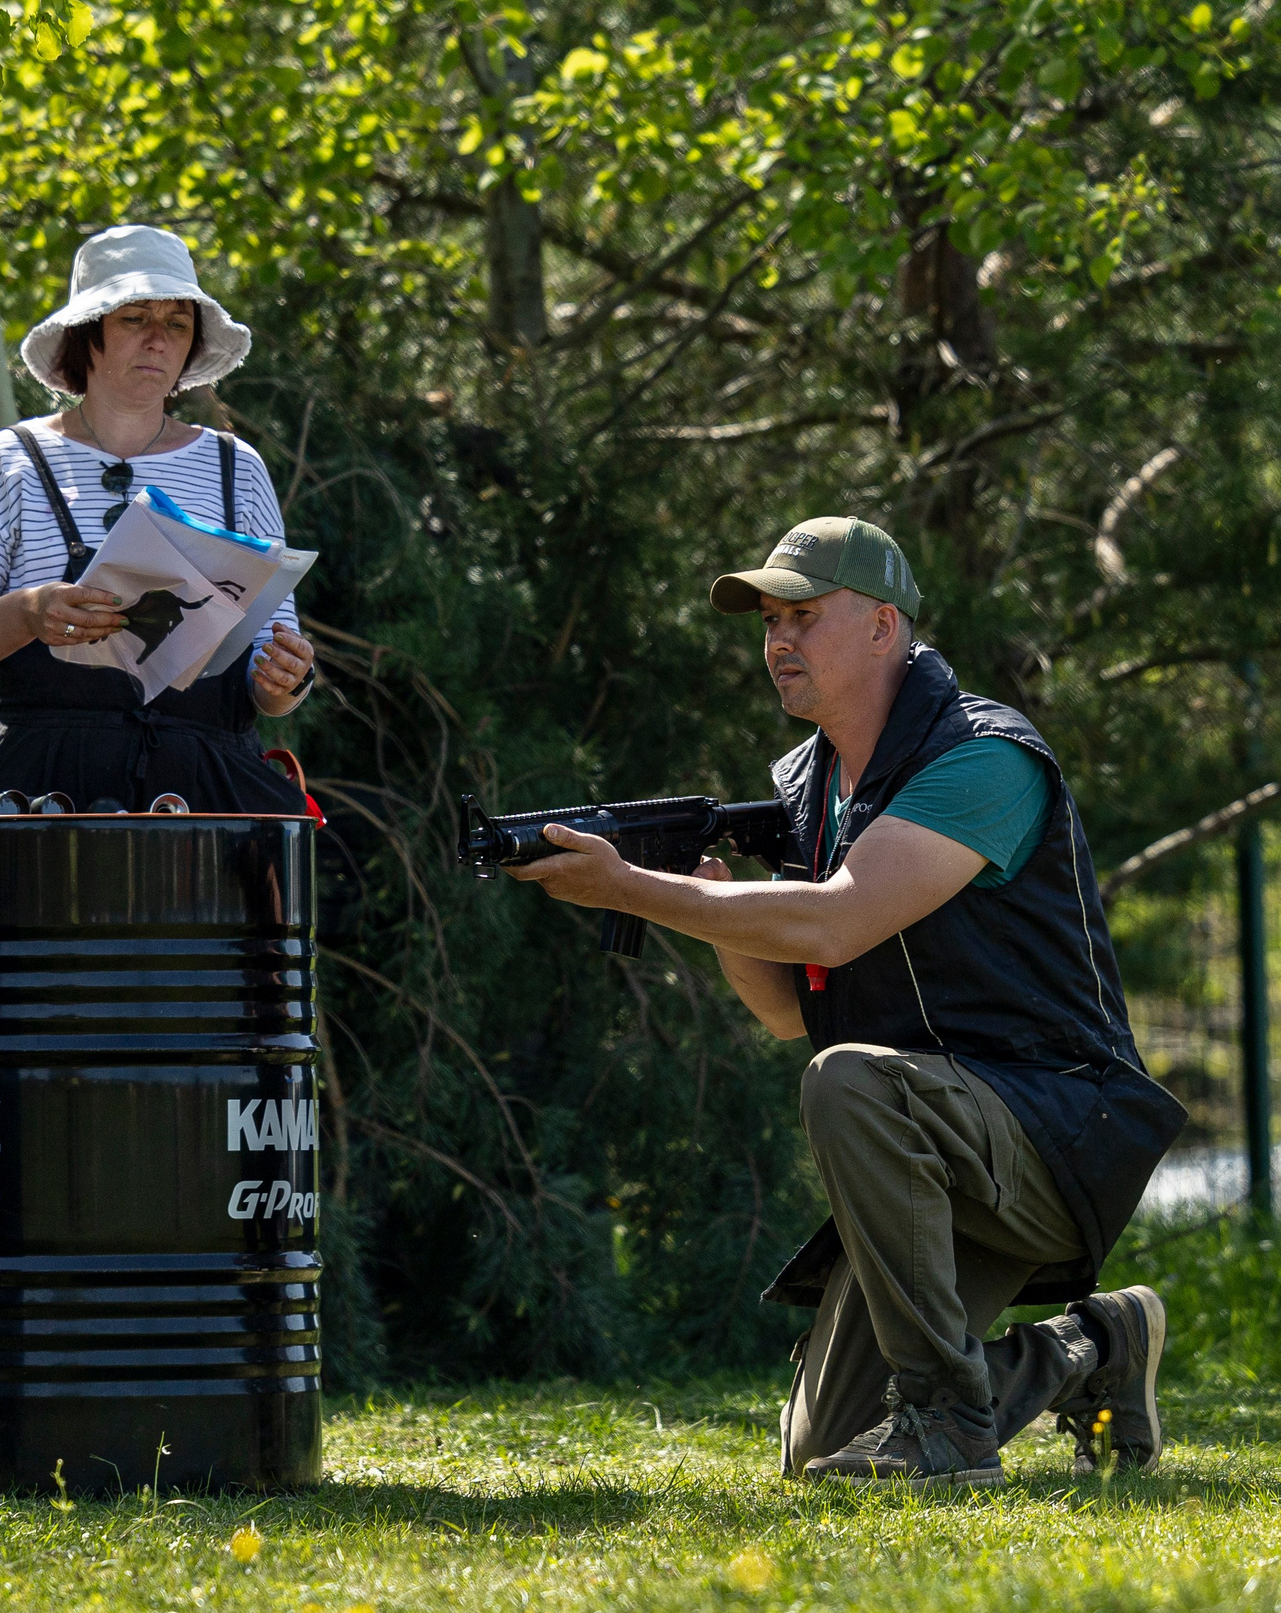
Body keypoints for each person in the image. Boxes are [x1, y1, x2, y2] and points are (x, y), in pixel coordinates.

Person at [507, 517, 1187, 1486]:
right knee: (816, 1450)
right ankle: (1093, 1345)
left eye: (802, 615)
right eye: (769, 622)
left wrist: (631, 889)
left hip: (1056, 1139)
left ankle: (949, 1423)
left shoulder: (985, 759)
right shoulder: (809, 786)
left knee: (846, 1081)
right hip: (938, 1149)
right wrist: (708, 899)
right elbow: (788, 1008)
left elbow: (835, 923)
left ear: (882, 626)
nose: (778, 640)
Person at [0, 225, 318, 813]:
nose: (158, 340)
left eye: (177, 324)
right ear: (87, 334)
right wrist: (28, 613)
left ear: (191, 347)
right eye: (134, 318)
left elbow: (267, 668)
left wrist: (284, 679)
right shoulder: (12, 459)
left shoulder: (237, 467)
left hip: (208, 799)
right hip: (40, 794)